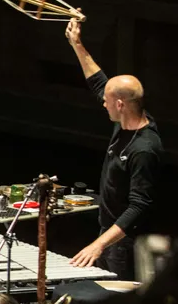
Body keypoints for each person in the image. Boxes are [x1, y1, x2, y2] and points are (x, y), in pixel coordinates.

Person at [64, 17, 162, 280]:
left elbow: (139, 207)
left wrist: (100, 244)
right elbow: (99, 82)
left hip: (127, 243)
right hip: (110, 235)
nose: (103, 105)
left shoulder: (144, 148)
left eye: (107, 102)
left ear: (120, 104)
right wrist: (77, 43)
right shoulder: (128, 117)